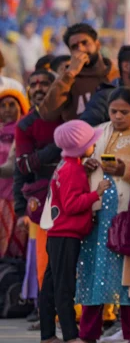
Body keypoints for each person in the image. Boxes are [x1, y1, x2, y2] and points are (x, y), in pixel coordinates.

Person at [75, 88, 130, 342]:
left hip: (125, 219)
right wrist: (88, 164)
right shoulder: (99, 131)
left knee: (127, 279)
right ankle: (88, 334)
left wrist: (123, 169)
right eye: (113, 111)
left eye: (124, 112)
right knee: (94, 273)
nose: (117, 117)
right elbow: (80, 158)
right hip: (97, 217)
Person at [39, 120, 110, 343]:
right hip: (66, 235)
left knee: (51, 286)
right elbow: (71, 205)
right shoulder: (72, 170)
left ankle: (48, 334)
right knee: (64, 287)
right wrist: (96, 193)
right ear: (81, 147)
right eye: (91, 143)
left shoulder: (66, 165)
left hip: (57, 235)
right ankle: (70, 335)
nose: (94, 146)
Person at [13, 70, 58, 309]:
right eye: (34, 85)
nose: (39, 89)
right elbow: (23, 167)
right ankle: (47, 313)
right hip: (40, 203)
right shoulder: (27, 123)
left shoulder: (68, 117)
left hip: (74, 197)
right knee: (44, 260)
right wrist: (21, 210)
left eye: (45, 84)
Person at [38, 23, 114, 125]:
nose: (81, 49)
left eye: (85, 43)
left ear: (97, 45)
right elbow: (47, 114)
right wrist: (69, 74)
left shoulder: (115, 73)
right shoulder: (68, 80)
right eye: (74, 47)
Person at [0, 89, 29, 258]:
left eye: (12, 104)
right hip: (1, 201)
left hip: (19, 199)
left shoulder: (25, 132)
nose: (7, 109)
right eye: (2, 106)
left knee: (19, 248)